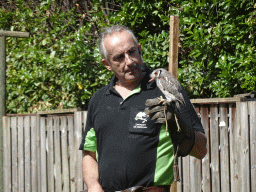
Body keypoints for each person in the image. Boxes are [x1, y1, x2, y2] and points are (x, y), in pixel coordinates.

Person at [79, 25, 207, 192]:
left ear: (139, 50)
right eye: (119, 57)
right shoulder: (99, 99)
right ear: (107, 64)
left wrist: (178, 124)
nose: (129, 61)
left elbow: (201, 150)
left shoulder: (163, 88)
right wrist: (93, 186)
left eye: (132, 52)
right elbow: (89, 153)